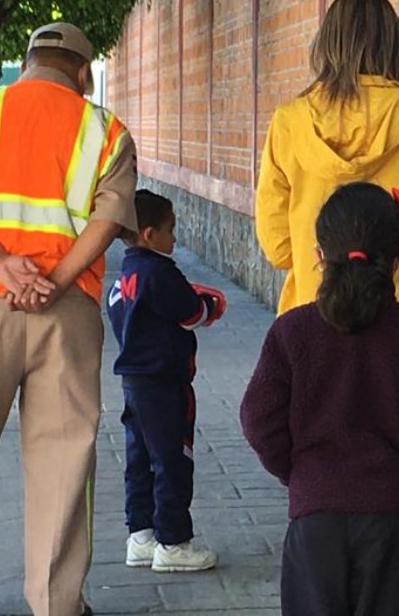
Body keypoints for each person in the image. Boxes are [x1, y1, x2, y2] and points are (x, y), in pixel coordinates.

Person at [0, 22, 137, 616]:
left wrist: (0, 265)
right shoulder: (106, 129)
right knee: (64, 458)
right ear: (84, 73)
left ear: (27, 61)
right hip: (66, 311)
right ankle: (55, 601)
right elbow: (110, 218)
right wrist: (54, 282)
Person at [241, 182, 399, 616]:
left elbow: (257, 418)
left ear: (318, 254)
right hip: (393, 521)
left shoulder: (292, 332)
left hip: (315, 522)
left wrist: (300, 473)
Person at [254, 0, 399, 333]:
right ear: (395, 47)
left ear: (326, 46)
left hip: (320, 317)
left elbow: (278, 247)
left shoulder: (289, 123)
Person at [107, 189, 226, 573]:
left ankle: (141, 535)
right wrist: (211, 305)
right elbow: (191, 313)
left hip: (132, 381)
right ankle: (174, 541)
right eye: (170, 229)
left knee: (139, 459)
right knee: (172, 459)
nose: (175, 238)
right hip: (164, 382)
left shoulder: (123, 277)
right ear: (148, 234)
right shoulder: (161, 272)